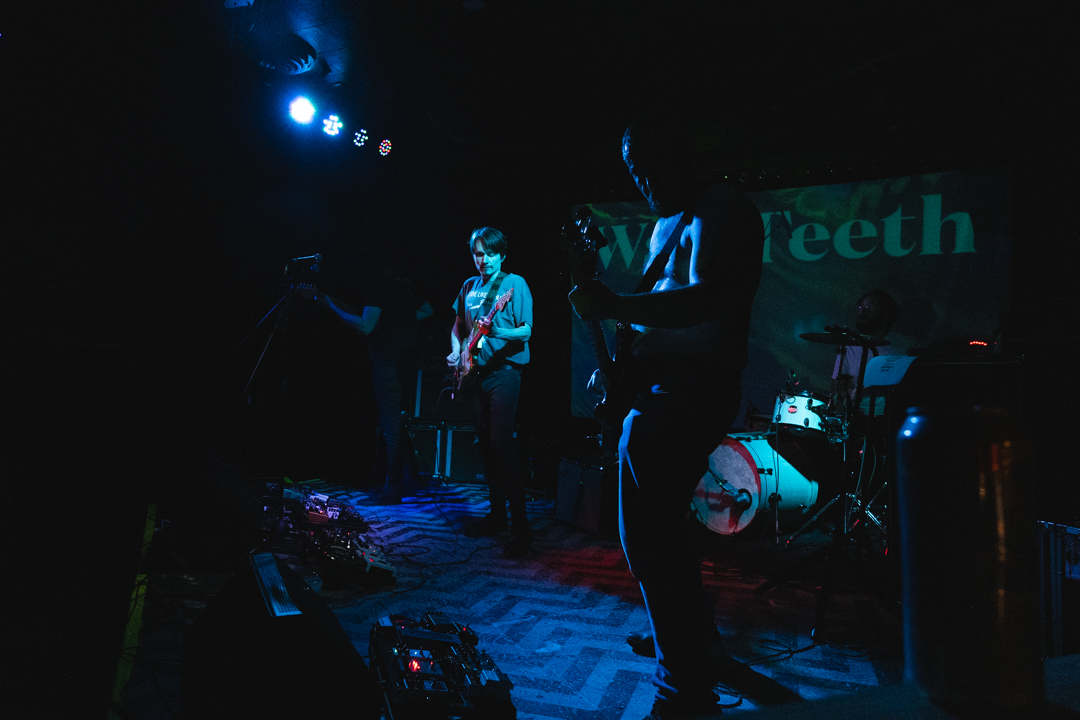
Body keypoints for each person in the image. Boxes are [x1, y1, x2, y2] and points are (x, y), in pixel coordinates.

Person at [569, 114, 764, 719]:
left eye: (649, 169)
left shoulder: (721, 208)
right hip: (660, 390)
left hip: (691, 392)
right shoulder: (666, 225)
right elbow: (659, 316)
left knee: (648, 541)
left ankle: (682, 690)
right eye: (634, 173)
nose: (643, 183)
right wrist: (623, 364)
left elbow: (706, 302)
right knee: (663, 537)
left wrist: (616, 306)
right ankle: (696, 645)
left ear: (680, 157)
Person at [310, 257, 433, 502]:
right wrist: (397, 320)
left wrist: (331, 306)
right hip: (409, 360)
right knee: (397, 420)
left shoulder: (376, 285)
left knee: (390, 424)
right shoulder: (401, 283)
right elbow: (428, 310)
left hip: (388, 360)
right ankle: (409, 477)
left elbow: (365, 326)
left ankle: (392, 487)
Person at [448, 227, 535, 558]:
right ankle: (497, 515)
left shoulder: (514, 284)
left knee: (501, 443)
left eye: (489, 253)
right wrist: (457, 349)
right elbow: (458, 324)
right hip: (475, 375)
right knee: (485, 447)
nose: (483, 259)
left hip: (505, 373)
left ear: (502, 254)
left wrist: (497, 329)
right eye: (478, 253)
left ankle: (520, 527)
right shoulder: (468, 286)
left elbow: (526, 331)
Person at [830, 289, 902, 419]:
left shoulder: (901, 346)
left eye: (870, 306)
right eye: (860, 307)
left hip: (890, 418)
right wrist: (845, 394)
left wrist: (872, 392)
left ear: (886, 314)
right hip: (856, 416)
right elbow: (837, 383)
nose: (863, 310)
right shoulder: (849, 346)